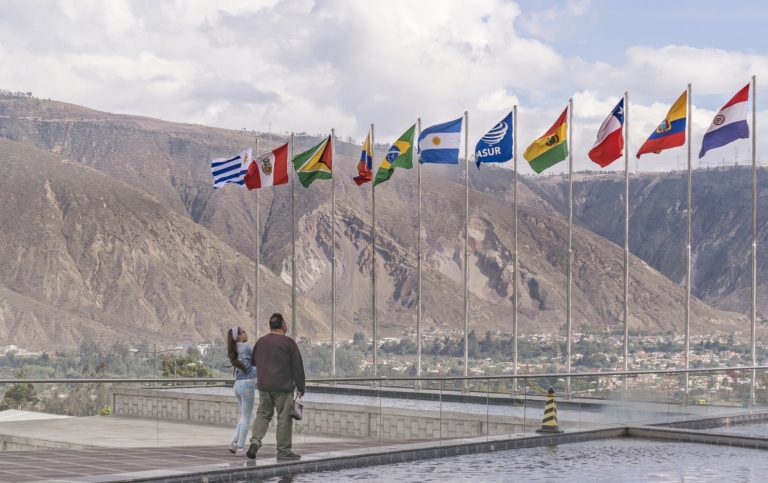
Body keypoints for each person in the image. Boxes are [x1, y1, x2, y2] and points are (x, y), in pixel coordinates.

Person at [246, 313, 305, 461]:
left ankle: (254, 442)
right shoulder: (288, 343)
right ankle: (284, 452)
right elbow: (297, 367)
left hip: (264, 386)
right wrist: (301, 387)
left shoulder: (260, 342)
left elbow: (253, 362)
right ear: (283, 327)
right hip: (283, 387)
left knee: (263, 415)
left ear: (270, 326)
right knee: (284, 418)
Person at [227, 326, 256, 456]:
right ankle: (240, 447)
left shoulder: (235, 350)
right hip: (247, 384)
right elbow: (259, 360)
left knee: (244, 415)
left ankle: (234, 443)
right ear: (238, 336)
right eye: (243, 332)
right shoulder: (246, 348)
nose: (246, 333)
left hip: (237, 385)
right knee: (247, 416)